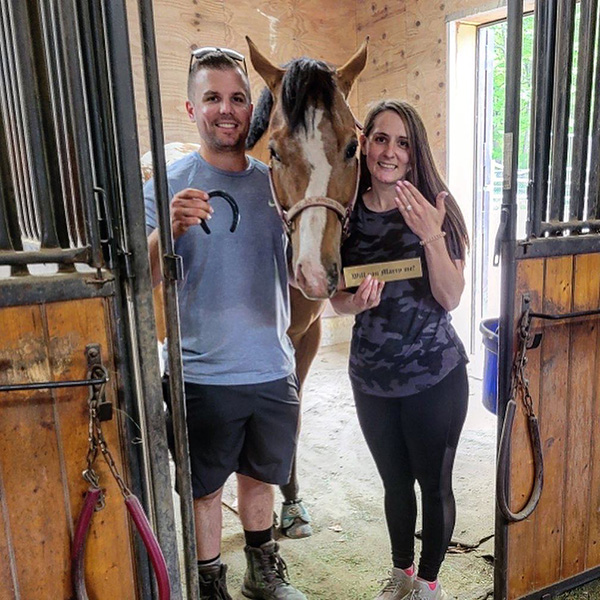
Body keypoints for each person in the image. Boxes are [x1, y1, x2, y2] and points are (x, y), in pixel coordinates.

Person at [144, 47, 306, 600]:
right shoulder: (166, 185)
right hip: (201, 374)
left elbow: (300, 267)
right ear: (191, 108)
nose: (227, 109)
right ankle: (209, 583)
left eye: (237, 97)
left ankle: (262, 574)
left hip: (270, 367)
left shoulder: (275, 183)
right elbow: (138, 285)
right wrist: (165, 231)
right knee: (204, 490)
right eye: (212, 97)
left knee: (261, 479)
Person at [330, 99, 470, 600]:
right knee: (395, 485)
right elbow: (335, 296)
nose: (390, 152)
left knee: (433, 486)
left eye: (402, 142)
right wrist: (350, 304)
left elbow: (451, 297)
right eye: (381, 139)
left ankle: (428, 585)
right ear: (365, 144)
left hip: (435, 375)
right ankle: (401, 575)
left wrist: (431, 235)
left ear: (415, 152)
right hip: (371, 379)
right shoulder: (344, 214)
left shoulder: (437, 205)